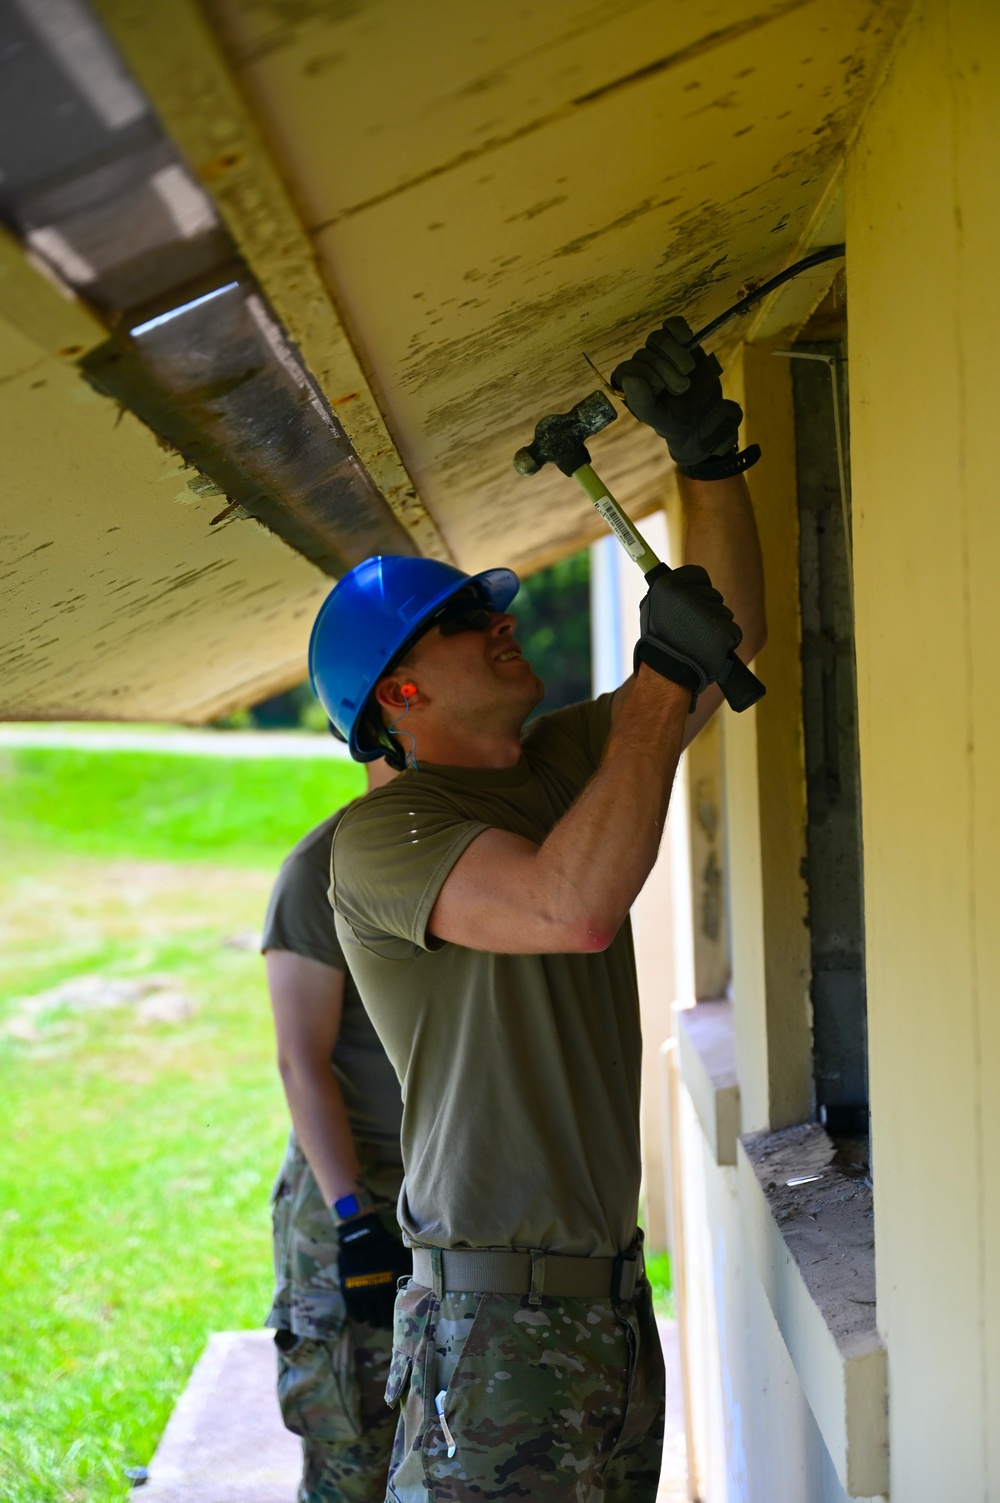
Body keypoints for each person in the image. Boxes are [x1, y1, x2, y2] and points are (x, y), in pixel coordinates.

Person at [308, 318, 767, 1503]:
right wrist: (661, 679)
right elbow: (570, 907)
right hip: (492, 1332)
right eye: (467, 620)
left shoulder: (557, 760)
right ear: (399, 694)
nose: (502, 617)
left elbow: (727, 649)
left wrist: (704, 463)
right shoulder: (381, 842)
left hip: (604, 1309)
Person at [263, 758, 411, 1503]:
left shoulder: (471, 852)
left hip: (446, 1196)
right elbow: (300, 1060)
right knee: (357, 1451)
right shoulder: (317, 869)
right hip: (354, 1199)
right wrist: (355, 1220)